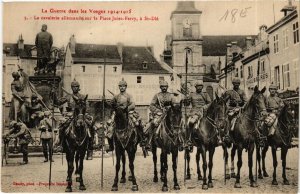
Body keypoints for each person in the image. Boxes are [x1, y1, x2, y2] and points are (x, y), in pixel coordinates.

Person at [53, 80, 91, 149]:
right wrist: (54, 94)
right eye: (73, 87)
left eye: (76, 86)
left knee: (90, 126)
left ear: (79, 87)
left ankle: (90, 145)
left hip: (81, 114)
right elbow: (58, 103)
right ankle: (60, 143)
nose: (75, 88)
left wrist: (85, 113)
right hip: (70, 114)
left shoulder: (82, 96)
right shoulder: (68, 96)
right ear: (71, 88)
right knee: (62, 127)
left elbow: (87, 106)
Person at [144, 80, 177, 150]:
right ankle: (149, 142)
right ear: (160, 87)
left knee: (177, 123)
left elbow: (175, 105)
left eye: (165, 86)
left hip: (170, 114)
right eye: (162, 86)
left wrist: (172, 108)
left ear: (167, 87)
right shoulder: (157, 96)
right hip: (159, 114)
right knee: (153, 123)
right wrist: (157, 111)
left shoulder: (171, 96)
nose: (164, 88)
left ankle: (180, 141)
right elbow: (151, 106)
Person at [106, 78, 136, 152]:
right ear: (119, 87)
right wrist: (106, 101)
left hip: (127, 113)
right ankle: (111, 146)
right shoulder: (116, 97)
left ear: (126, 87)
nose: (122, 87)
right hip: (117, 114)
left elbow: (133, 104)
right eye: (120, 86)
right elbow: (111, 104)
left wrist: (126, 108)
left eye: (123, 86)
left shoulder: (129, 96)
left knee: (137, 123)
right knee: (110, 128)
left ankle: (142, 141)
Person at [186, 80, 211, 146]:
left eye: (200, 86)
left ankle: (217, 138)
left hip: (204, 112)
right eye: (198, 86)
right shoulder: (191, 94)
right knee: (189, 123)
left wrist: (204, 107)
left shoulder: (205, 94)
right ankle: (189, 139)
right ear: (195, 87)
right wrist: (187, 100)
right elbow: (187, 104)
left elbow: (209, 103)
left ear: (202, 87)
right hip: (194, 112)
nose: (199, 88)